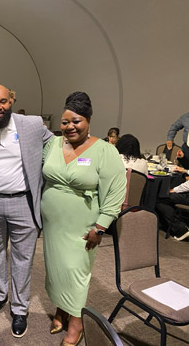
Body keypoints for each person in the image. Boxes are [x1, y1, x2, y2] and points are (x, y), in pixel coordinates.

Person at [0, 84, 53, 338]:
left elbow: (57, 147)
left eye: (3, 101)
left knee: (22, 260)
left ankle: (19, 308)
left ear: (11, 101)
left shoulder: (33, 125)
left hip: (23, 203)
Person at [42, 92, 126, 345]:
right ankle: (61, 308)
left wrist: (101, 227)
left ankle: (76, 323)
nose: (70, 127)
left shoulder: (105, 150)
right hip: (53, 223)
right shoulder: (53, 144)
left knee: (76, 273)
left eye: (76, 121)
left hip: (83, 225)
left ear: (88, 120)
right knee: (56, 270)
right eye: (65, 122)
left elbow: (115, 192)